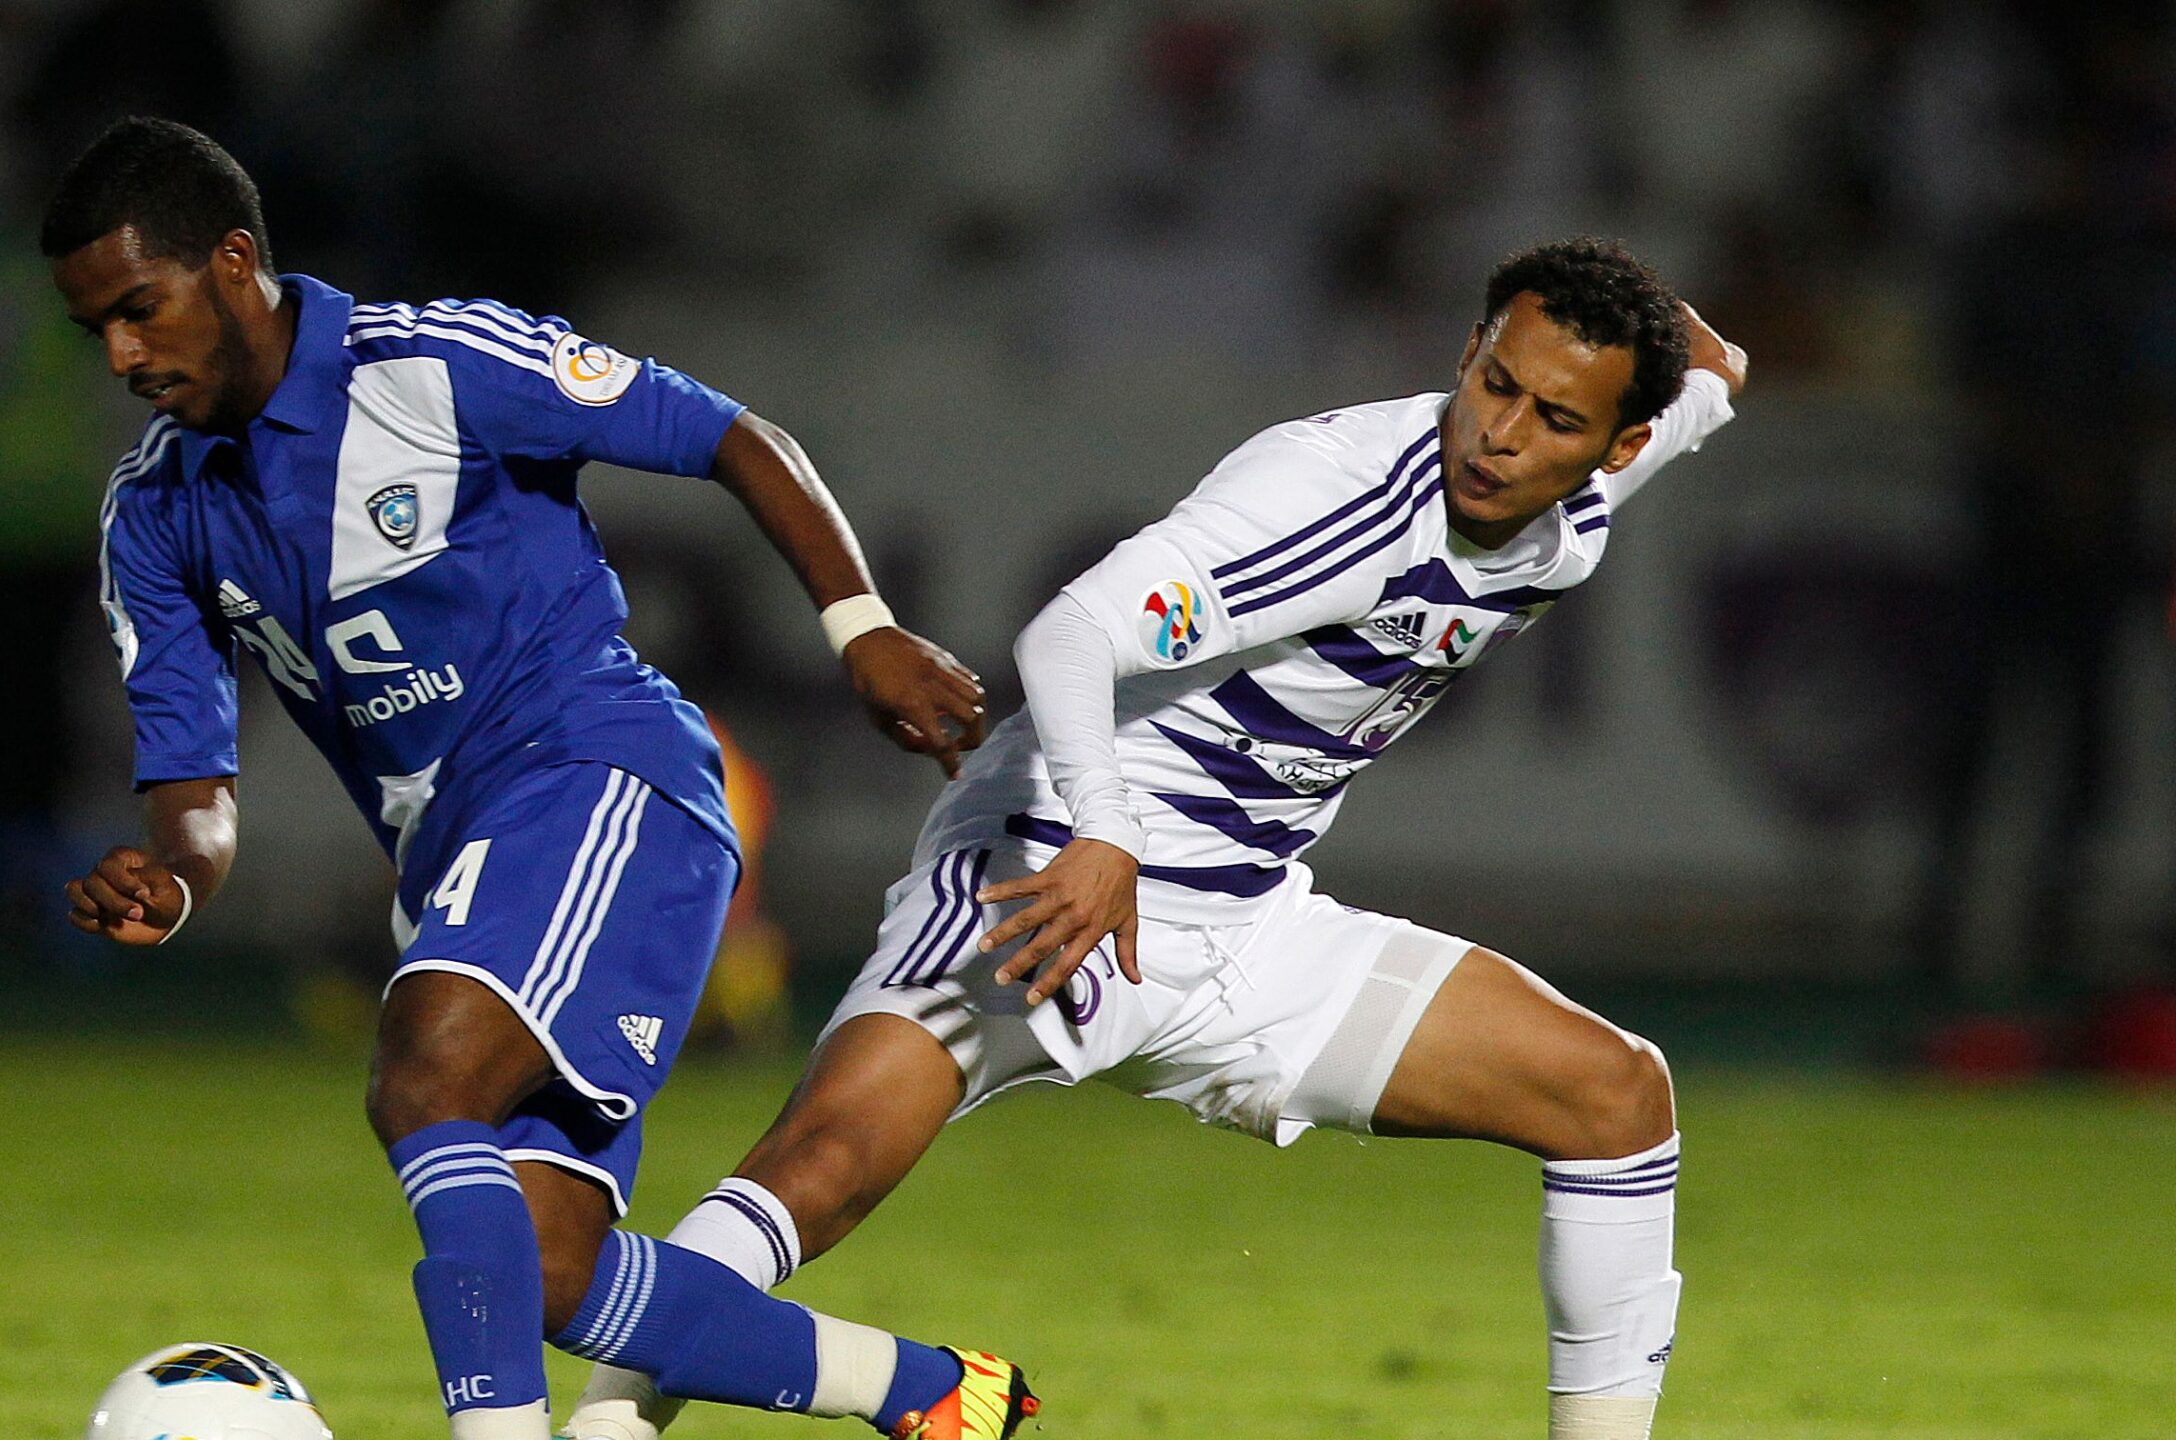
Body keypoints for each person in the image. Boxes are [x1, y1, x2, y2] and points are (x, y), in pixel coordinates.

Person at [570, 238, 1748, 1440]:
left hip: (1247, 926)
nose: (1501, 434)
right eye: (1495, 383)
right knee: (817, 1168)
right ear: (1467, 354)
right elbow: (1074, 632)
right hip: (1044, 881)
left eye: (1555, 418)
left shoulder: (1593, 489)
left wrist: (1678, 354)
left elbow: (1711, 365)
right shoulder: (1334, 494)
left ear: (1622, 447)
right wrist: (1103, 831)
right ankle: (597, 1437)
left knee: (1614, 1097)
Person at [45, 117, 1043, 1440]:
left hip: (604, 784)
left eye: (138, 309)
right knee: (552, 1272)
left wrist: (859, 629)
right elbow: (194, 790)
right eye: (95, 329)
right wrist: (170, 884)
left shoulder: (435, 365)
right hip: (460, 866)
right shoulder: (156, 512)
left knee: (423, 1074)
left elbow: (733, 436)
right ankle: (935, 1397)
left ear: (233, 263)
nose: (120, 355)